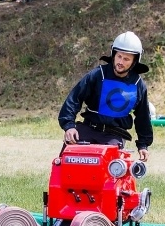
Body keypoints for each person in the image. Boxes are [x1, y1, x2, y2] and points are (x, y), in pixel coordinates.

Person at [59, 31, 153, 161]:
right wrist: (69, 126)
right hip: (88, 129)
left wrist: (143, 144)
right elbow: (74, 98)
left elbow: (143, 116)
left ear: (134, 61)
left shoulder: (138, 84)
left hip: (114, 135)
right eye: (119, 56)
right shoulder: (97, 75)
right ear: (114, 54)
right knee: (68, 158)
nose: (121, 62)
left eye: (126, 59)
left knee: (108, 168)